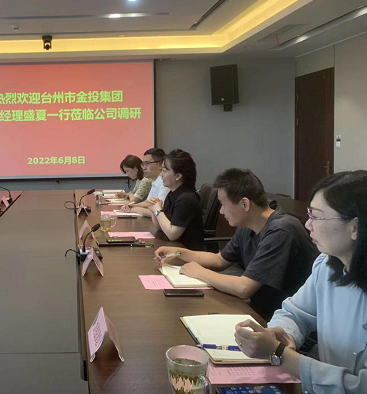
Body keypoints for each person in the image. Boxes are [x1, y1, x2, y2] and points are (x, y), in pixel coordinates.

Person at [234, 171, 367, 394]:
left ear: (355, 226)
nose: (307, 224)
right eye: (309, 214)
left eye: (317, 217)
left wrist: (279, 353)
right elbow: (295, 313)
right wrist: (282, 333)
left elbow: (360, 386)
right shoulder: (327, 266)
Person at [154, 168, 319, 319]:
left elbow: (244, 288)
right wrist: (179, 252)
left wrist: (200, 272)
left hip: (282, 319)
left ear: (245, 204)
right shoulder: (248, 226)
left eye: (223, 204)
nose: (221, 211)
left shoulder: (281, 230)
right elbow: (220, 260)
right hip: (261, 310)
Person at [148, 149, 204, 249]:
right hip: (175, 248)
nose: (161, 174)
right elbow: (160, 227)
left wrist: (158, 210)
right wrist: (153, 209)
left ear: (178, 176)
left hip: (187, 251)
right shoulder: (173, 193)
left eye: (164, 171)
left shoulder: (186, 199)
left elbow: (172, 235)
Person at [121, 148, 170, 217]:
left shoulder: (165, 183)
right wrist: (132, 205)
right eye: (143, 164)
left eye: (147, 164)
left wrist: (134, 209)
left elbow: (159, 212)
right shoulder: (154, 181)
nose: (143, 168)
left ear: (160, 164)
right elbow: (148, 202)